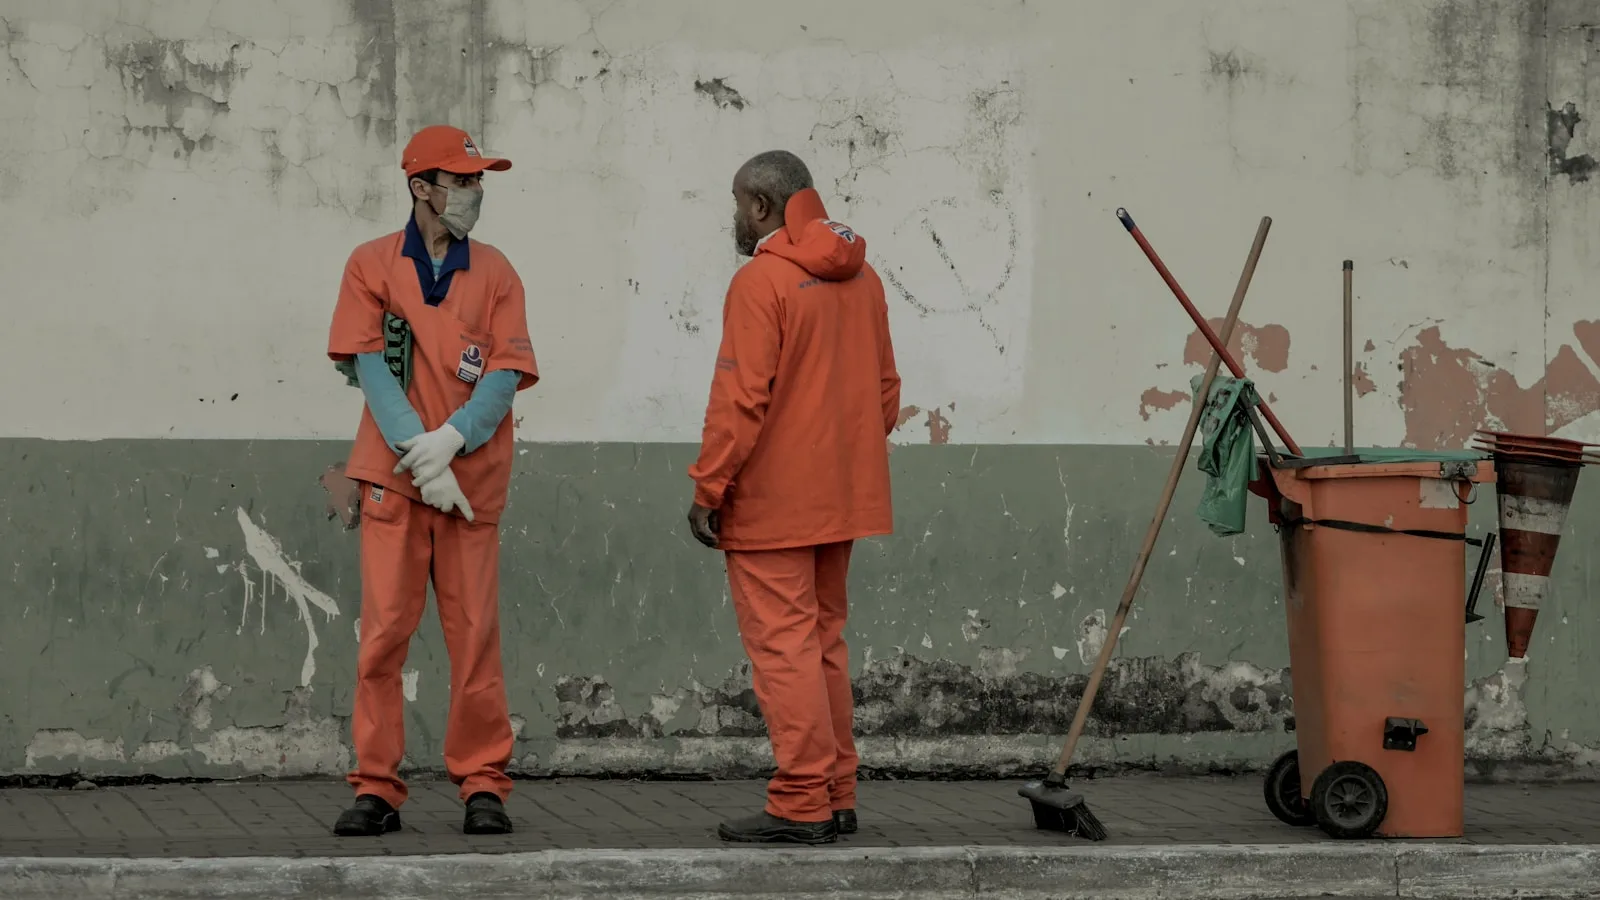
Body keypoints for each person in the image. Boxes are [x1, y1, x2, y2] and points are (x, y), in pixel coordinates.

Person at [326, 124, 539, 837]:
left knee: (474, 634)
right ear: (423, 187)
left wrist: (454, 441)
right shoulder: (372, 265)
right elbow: (370, 368)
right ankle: (377, 787)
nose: (475, 192)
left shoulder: (499, 273)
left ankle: (483, 783)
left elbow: (506, 373)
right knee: (384, 635)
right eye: (464, 180)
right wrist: (422, 454)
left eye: (479, 181)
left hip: (471, 484)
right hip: (394, 480)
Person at [687, 150, 901, 845]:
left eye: (735, 204)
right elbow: (885, 393)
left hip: (773, 503)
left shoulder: (762, 281)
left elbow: (741, 398)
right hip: (841, 498)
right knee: (823, 644)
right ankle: (838, 792)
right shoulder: (863, 278)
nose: (734, 219)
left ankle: (802, 801)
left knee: (784, 652)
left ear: (760, 206)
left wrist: (709, 487)